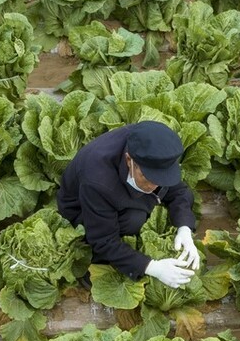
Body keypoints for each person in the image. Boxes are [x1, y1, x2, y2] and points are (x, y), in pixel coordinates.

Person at [56, 121, 201, 289]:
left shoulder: (152, 149)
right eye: (148, 177)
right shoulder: (97, 180)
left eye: (161, 178)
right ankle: (97, 263)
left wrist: (184, 228)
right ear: (129, 160)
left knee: (149, 207)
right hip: (81, 207)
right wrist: (151, 267)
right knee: (134, 219)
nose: (154, 185)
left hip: (114, 188)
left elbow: (179, 191)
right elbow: (104, 240)